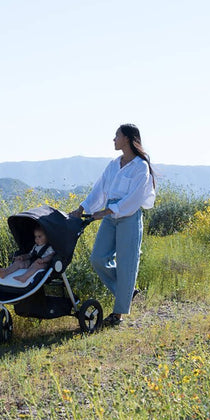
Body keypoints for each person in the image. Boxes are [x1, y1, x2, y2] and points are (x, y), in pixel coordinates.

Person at [70, 124, 156, 325]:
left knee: (127, 263)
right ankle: (126, 291)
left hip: (129, 217)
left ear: (126, 138)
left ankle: (118, 314)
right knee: (98, 258)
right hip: (109, 216)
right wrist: (82, 209)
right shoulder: (113, 165)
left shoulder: (141, 167)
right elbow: (99, 189)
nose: (114, 139)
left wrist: (106, 211)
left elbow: (134, 199)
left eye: (117, 135)